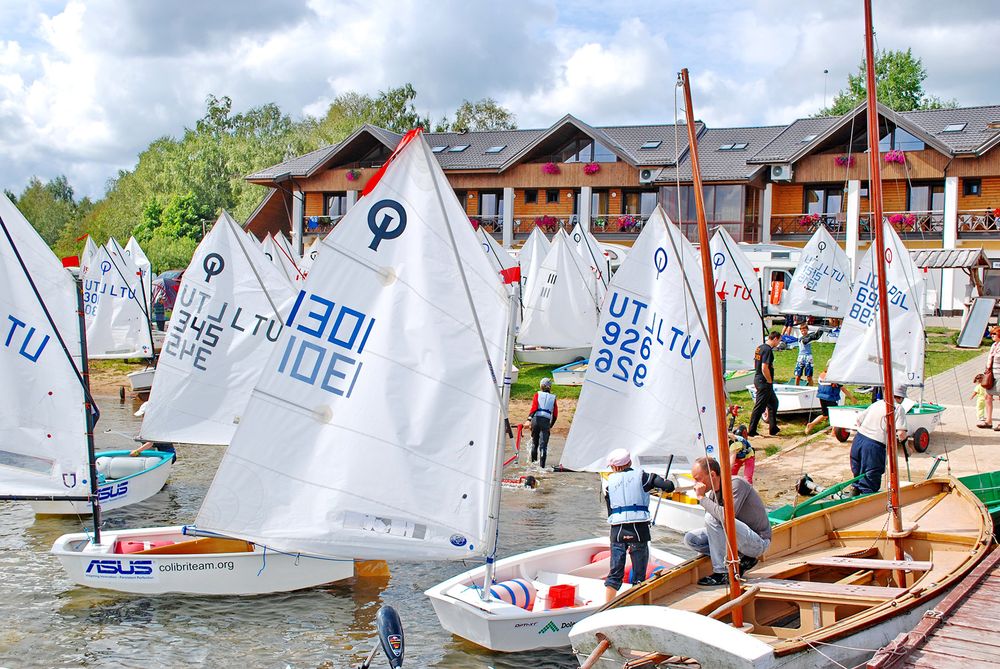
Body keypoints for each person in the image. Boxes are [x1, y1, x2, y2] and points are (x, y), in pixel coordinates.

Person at [684, 456, 772, 587]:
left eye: (698, 479)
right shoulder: (713, 494)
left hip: (757, 542)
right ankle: (741, 559)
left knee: (712, 517)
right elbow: (713, 530)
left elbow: (728, 517)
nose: (695, 484)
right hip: (738, 541)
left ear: (712, 475)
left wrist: (701, 498)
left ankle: (722, 572)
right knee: (691, 539)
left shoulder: (736, 484)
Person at [603, 448, 674, 601]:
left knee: (614, 574)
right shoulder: (644, 477)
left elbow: (611, 512)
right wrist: (665, 483)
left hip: (617, 532)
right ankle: (637, 604)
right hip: (638, 531)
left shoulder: (609, 485)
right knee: (639, 576)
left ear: (613, 467)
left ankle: (606, 607)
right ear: (629, 462)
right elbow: (669, 486)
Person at [849, 386, 908, 496]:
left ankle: (854, 493)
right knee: (870, 479)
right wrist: (907, 449)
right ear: (901, 398)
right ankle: (867, 500)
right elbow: (901, 434)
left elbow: (858, 420)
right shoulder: (898, 408)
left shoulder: (877, 403)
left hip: (859, 439)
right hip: (874, 445)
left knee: (857, 475)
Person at [748, 331, 781, 438]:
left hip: (759, 379)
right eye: (779, 340)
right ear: (775, 339)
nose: (779, 343)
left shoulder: (760, 347)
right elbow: (764, 367)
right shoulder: (767, 350)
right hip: (764, 381)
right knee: (760, 407)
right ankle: (751, 430)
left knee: (773, 403)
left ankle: (773, 428)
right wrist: (769, 380)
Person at [805, 369, 857, 434]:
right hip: (830, 397)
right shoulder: (834, 378)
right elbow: (843, 389)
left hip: (821, 397)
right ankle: (833, 432)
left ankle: (811, 424)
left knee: (825, 415)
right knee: (836, 415)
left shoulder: (822, 375)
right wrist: (852, 398)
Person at [526, 378, 558, 468]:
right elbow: (555, 414)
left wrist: (529, 420)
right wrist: (550, 426)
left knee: (534, 444)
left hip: (536, 420)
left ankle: (533, 466)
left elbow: (534, 408)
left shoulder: (537, 394)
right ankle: (542, 468)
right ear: (550, 387)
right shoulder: (553, 398)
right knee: (543, 446)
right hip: (546, 422)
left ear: (541, 386)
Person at [982, 326, 1000, 430]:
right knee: (988, 396)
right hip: (992, 374)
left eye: (994, 334)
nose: (992, 335)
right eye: (991, 334)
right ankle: (988, 421)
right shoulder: (994, 345)